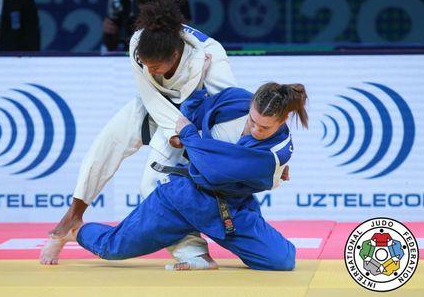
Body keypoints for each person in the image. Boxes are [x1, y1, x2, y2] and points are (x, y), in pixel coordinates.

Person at [40, 0, 236, 269]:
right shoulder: (138, 43)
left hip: (194, 119)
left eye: (155, 67)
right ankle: (72, 217)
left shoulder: (210, 55)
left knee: (153, 183)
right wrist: (171, 130)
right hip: (155, 106)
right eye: (145, 64)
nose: (149, 70)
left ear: (176, 56)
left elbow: (230, 107)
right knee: (105, 146)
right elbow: (151, 96)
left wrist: (222, 147)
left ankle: (193, 249)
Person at [58, 83, 308, 270]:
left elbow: (213, 169)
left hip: (230, 211)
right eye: (253, 120)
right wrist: (189, 117)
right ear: (251, 103)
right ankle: (75, 231)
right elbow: (198, 108)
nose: (254, 129)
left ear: (283, 120)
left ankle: (194, 249)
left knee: (283, 260)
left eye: (264, 128)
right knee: (112, 248)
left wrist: (188, 134)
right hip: (182, 198)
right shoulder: (236, 101)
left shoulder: (273, 152)